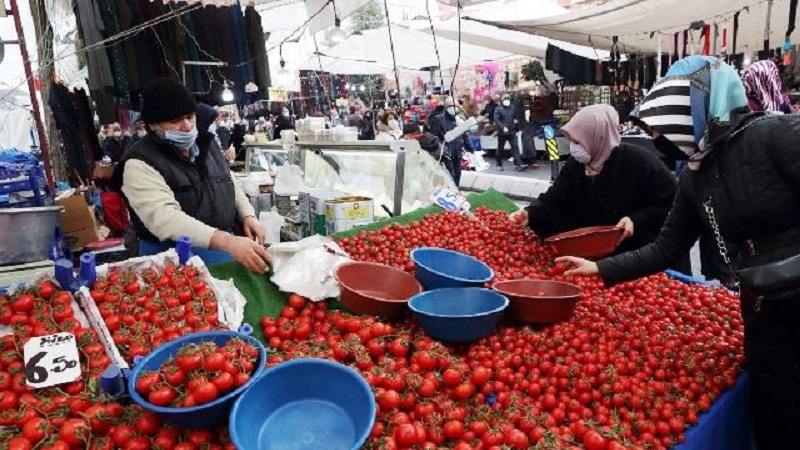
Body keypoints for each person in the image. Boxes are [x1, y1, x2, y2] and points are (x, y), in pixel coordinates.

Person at [555, 56, 800, 449]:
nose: (658, 136)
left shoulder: (775, 135)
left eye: (667, 122)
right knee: (778, 408)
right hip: (762, 305)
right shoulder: (695, 174)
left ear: (703, 109)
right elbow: (666, 248)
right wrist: (600, 269)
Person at [113, 78, 269, 273]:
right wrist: (228, 241)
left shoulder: (206, 143)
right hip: (173, 263)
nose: (186, 126)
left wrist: (247, 214)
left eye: (189, 116)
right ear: (153, 125)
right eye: (175, 121)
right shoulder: (139, 163)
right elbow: (165, 219)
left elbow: (228, 181)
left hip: (223, 253)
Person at [511, 104, 683, 260]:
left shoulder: (640, 162)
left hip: (635, 258)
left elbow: (672, 204)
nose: (573, 147)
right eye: (572, 140)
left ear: (597, 137)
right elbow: (555, 198)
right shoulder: (575, 165)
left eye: (578, 141)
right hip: (592, 256)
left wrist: (636, 220)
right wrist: (531, 213)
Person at [429, 97, 473, 185]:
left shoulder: (459, 120)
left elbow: (465, 135)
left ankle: (456, 192)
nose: (453, 108)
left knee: (457, 174)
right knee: (450, 175)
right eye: (450, 106)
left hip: (458, 152)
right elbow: (434, 137)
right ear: (445, 107)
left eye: (455, 106)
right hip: (446, 154)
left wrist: (471, 149)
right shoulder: (438, 119)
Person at [493, 94, 526, 172]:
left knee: (515, 148)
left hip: (512, 131)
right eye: (505, 100)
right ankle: (499, 164)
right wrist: (503, 127)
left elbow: (515, 117)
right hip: (502, 133)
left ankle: (519, 164)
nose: (507, 101)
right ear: (502, 101)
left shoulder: (512, 108)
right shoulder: (498, 109)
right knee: (500, 149)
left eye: (508, 100)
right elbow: (496, 120)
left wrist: (517, 128)